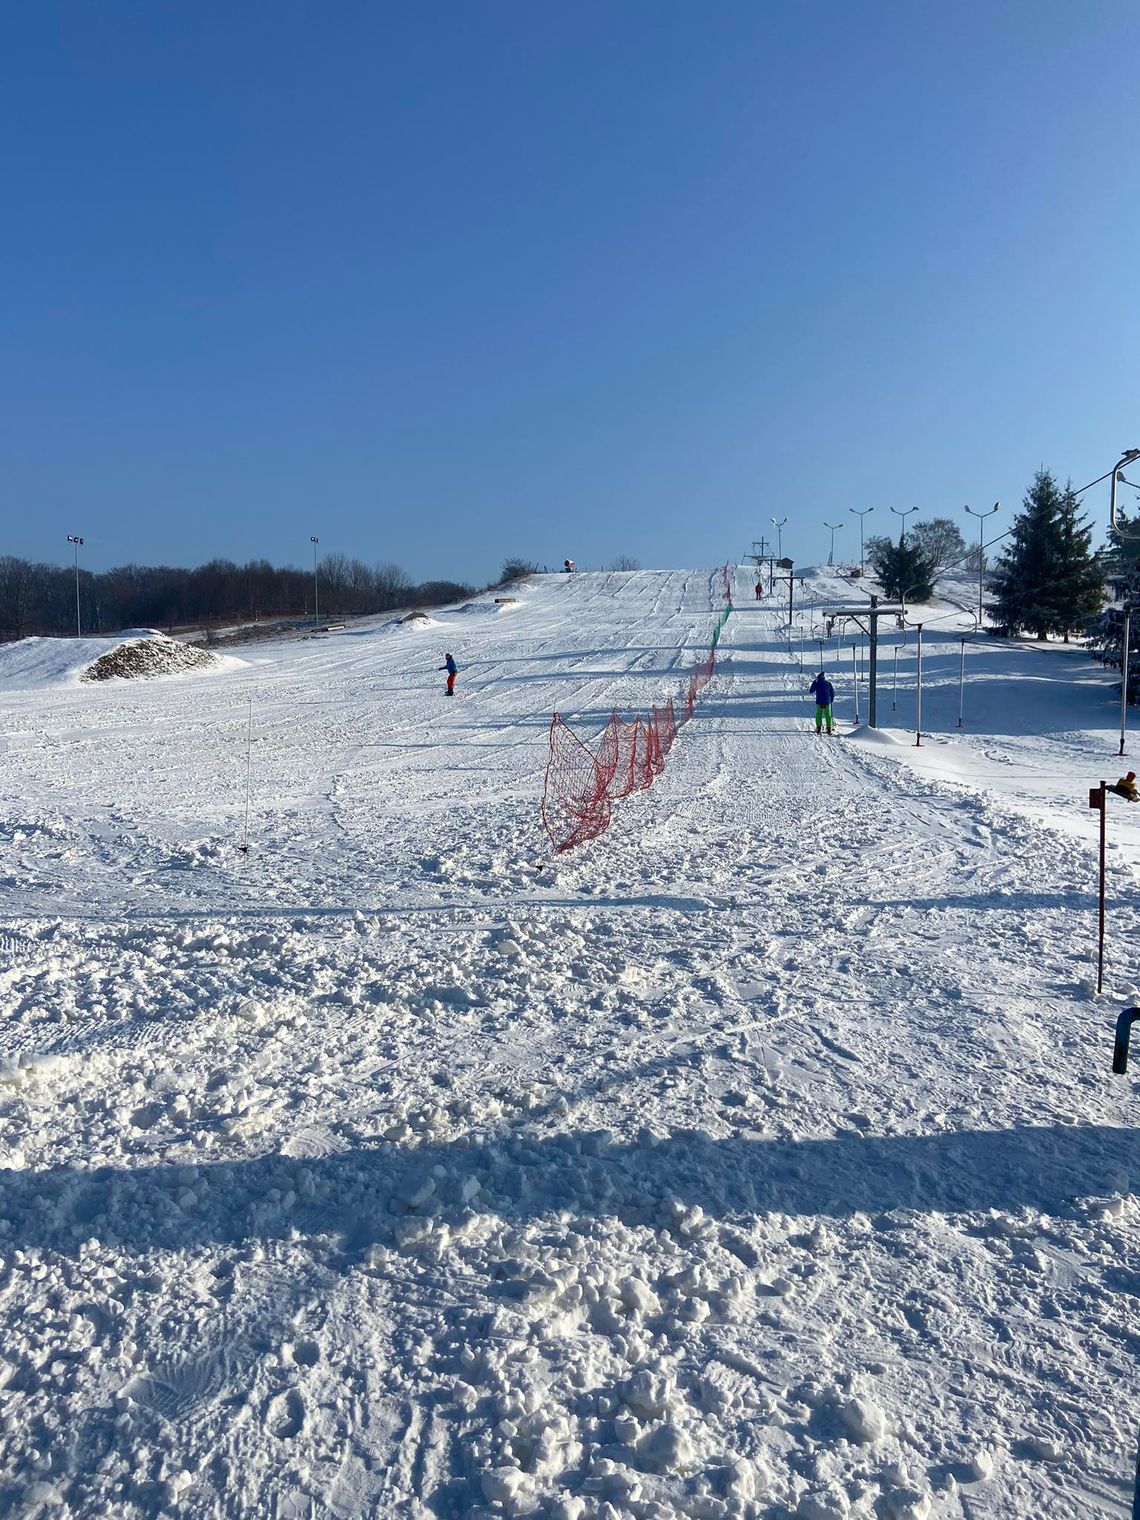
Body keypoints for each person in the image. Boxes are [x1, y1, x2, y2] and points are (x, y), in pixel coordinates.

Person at [809, 670, 835, 735]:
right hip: (827, 701)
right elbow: (832, 692)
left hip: (819, 701)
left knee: (819, 714)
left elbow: (811, 691)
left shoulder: (817, 683)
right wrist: (831, 699)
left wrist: (814, 682)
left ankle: (818, 728)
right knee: (828, 715)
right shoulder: (828, 683)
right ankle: (829, 728)